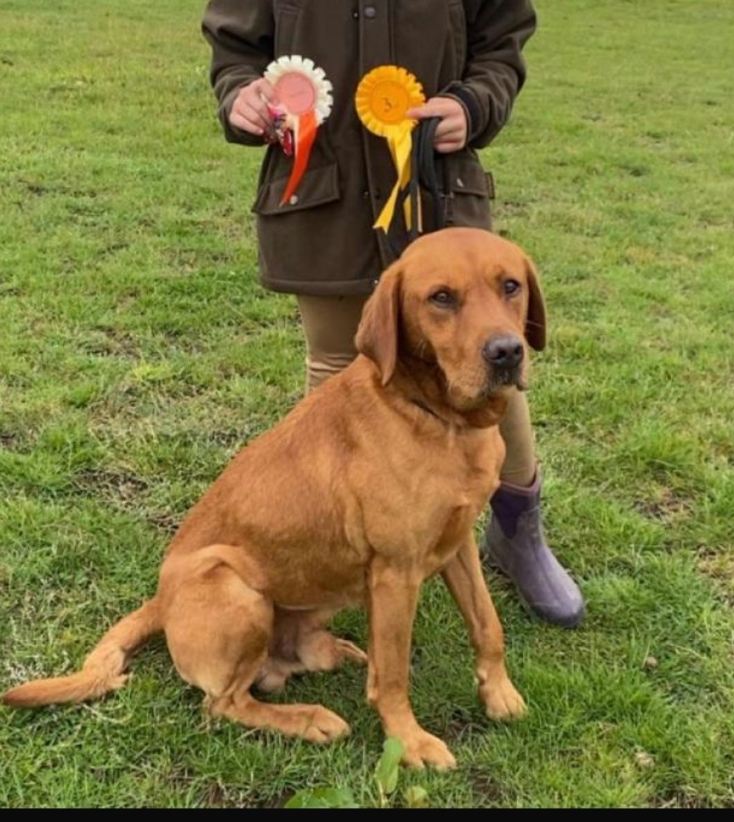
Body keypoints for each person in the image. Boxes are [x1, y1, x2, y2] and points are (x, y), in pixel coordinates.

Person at [201, 0, 584, 627]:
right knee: (339, 364)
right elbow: (234, 48)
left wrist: (474, 105)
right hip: (321, 196)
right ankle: (348, 537)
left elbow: (502, 39)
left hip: (438, 187)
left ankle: (519, 531)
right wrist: (240, 95)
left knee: (488, 361)